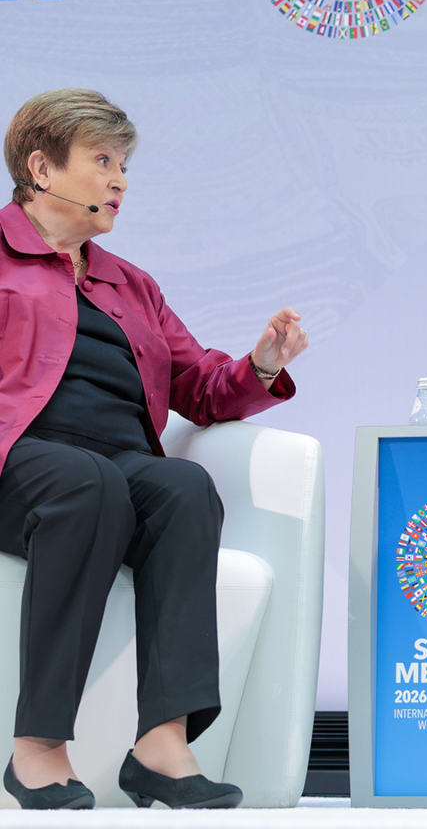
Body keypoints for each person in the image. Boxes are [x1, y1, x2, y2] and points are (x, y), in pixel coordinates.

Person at [0, 88, 309, 810]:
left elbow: (200, 386)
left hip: (110, 468)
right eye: (102, 161)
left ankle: (162, 742)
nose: (120, 180)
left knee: (184, 489)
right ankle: (38, 746)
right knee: (89, 484)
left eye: (124, 164)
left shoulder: (129, 283)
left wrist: (261, 362)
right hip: (23, 464)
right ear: (41, 169)